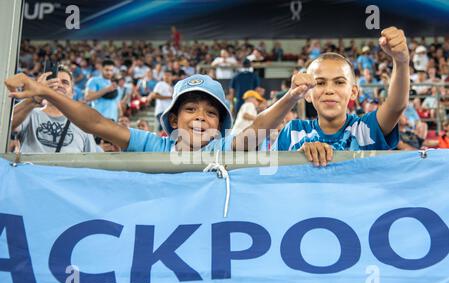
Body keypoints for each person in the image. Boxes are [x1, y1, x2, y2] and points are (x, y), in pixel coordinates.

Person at [5, 73, 312, 153]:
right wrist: (45, 92)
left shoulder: (223, 146)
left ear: (220, 125)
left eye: (210, 113)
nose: (200, 118)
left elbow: (258, 126)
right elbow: (97, 123)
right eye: (190, 109)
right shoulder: (154, 145)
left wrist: (291, 95)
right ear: (173, 120)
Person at [272, 27, 410, 167]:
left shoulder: (365, 129)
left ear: (353, 92)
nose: (329, 90)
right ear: (307, 93)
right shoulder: (292, 132)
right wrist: (297, 158)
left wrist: (401, 61)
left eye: (339, 82)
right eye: (320, 83)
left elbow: (396, 106)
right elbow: (268, 175)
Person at [11, 66, 97, 153]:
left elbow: (91, 161)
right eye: (54, 81)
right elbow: (6, 125)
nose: (59, 85)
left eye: (65, 82)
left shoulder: (83, 124)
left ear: (72, 93)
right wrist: (34, 98)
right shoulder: (29, 113)